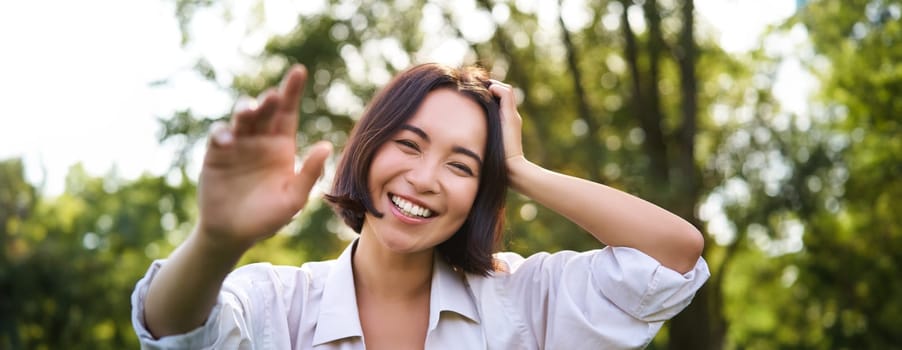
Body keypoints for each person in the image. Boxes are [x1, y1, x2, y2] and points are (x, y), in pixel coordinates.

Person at [131, 63, 709, 349]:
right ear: (368, 146)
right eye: (408, 144)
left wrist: (519, 171)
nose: (426, 178)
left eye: (462, 166)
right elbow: (176, 332)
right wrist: (216, 238)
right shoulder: (276, 304)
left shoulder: (525, 301)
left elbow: (673, 258)